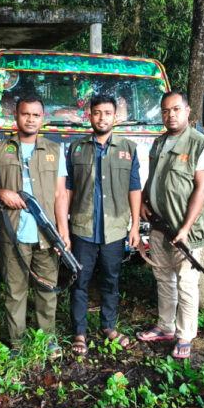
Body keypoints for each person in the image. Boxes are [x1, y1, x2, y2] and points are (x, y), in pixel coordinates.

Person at [136, 91, 204, 359]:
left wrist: (184, 229)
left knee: (186, 282)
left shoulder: (199, 146)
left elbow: (201, 190)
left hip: (186, 232)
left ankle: (185, 336)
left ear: (188, 112)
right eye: (166, 111)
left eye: (176, 109)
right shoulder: (159, 143)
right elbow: (154, 177)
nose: (170, 115)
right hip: (160, 225)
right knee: (163, 279)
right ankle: (165, 326)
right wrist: (145, 201)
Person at [66, 94, 141, 356]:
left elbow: (134, 188)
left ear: (115, 117)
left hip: (115, 229)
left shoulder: (128, 149)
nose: (102, 118)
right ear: (89, 115)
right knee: (79, 281)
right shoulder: (76, 148)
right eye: (97, 113)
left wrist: (134, 226)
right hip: (83, 229)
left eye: (107, 113)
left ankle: (108, 326)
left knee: (111, 280)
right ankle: (79, 331)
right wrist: (63, 228)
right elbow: (68, 190)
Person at [0, 94, 69, 359]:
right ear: (16, 116)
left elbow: (61, 194)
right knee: (15, 291)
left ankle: (47, 339)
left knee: (47, 289)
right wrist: (0, 191)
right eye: (25, 114)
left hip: (46, 234)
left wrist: (63, 231)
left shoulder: (54, 150)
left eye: (36, 115)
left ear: (43, 119)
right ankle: (16, 343)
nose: (30, 119)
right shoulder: (0, 149)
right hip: (13, 232)